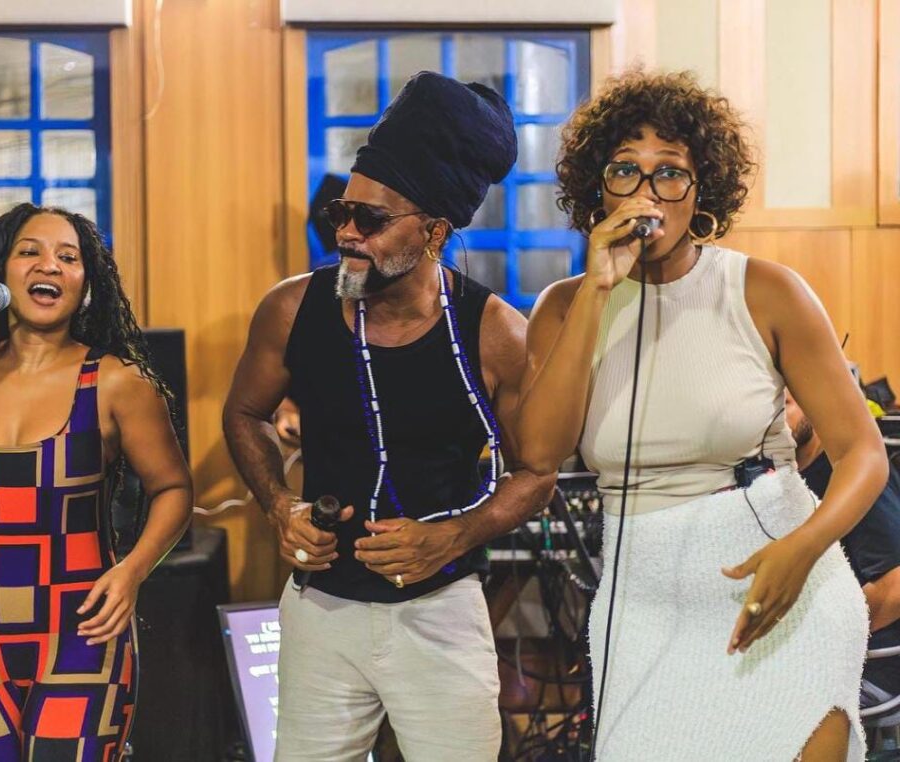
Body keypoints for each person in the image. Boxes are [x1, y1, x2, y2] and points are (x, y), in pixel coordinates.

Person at [516, 70, 887, 760]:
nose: (647, 191)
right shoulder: (565, 307)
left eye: (670, 172)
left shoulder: (766, 291)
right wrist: (598, 291)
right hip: (642, 607)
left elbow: (863, 453)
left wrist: (803, 549)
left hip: (785, 588)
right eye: (625, 170)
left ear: (701, 189)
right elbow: (539, 452)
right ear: (598, 189)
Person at [223, 71, 555, 762]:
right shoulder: (291, 308)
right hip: (320, 611)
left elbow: (537, 471)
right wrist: (279, 505)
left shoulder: (494, 332)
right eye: (342, 214)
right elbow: (245, 413)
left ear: (434, 231)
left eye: (370, 221)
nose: (347, 234)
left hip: (441, 613)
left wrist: (455, 535)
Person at [0, 204, 193, 761]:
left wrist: (132, 571)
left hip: (82, 632)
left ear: (85, 284)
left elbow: (174, 488)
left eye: (68, 257)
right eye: (30, 252)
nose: (49, 265)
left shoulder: (115, 381)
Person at [787, 389, 900, 712]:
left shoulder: (853, 475)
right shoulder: (788, 480)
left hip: (873, 663)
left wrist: (815, 642)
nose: (774, 417)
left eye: (786, 403)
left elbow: (894, 588)